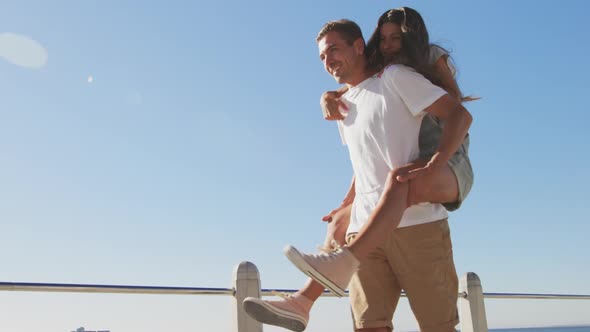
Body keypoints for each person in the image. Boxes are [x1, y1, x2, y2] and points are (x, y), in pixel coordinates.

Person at [244, 9, 473, 332]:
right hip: (364, 232)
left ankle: (319, 284)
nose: (328, 59)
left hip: (418, 225)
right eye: (323, 55)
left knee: (439, 326)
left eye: (334, 49)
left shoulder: (397, 76)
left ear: (359, 46)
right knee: (368, 326)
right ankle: (303, 301)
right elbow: (364, 164)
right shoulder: (342, 103)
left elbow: (457, 113)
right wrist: (345, 205)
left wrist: (437, 161)